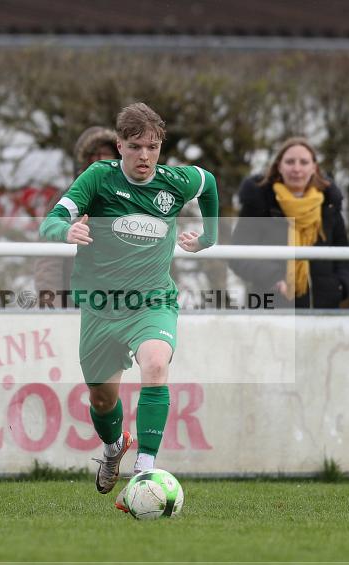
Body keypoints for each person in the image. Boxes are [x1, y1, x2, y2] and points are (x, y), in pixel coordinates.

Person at [39, 102, 219, 510]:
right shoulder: (98, 179)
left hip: (153, 300)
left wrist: (210, 237)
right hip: (101, 307)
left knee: (156, 363)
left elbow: (208, 182)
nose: (145, 156)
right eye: (136, 147)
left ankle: (145, 469)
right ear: (119, 146)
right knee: (102, 401)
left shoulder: (175, 182)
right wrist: (64, 230)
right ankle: (114, 446)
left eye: (153, 147)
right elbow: (51, 219)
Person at [229, 137, 349, 309]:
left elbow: (344, 255)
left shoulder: (329, 205)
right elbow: (238, 255)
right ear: (279, 166)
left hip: (323, 310)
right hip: (270, 307)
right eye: (290, 162)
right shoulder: (258, 203)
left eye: (303, 162)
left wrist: (340, 287)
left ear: (314, 168)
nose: (296, 168)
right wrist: (271, 277)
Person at [34, 127, 119, 307]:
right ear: (84, 162)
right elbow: (48, 260)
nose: (100, 160)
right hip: (75, 305)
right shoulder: (65, 200)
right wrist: (52, 307)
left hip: (126, 307)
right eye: (94, 155)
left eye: (106, 154)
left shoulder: (137, 200)